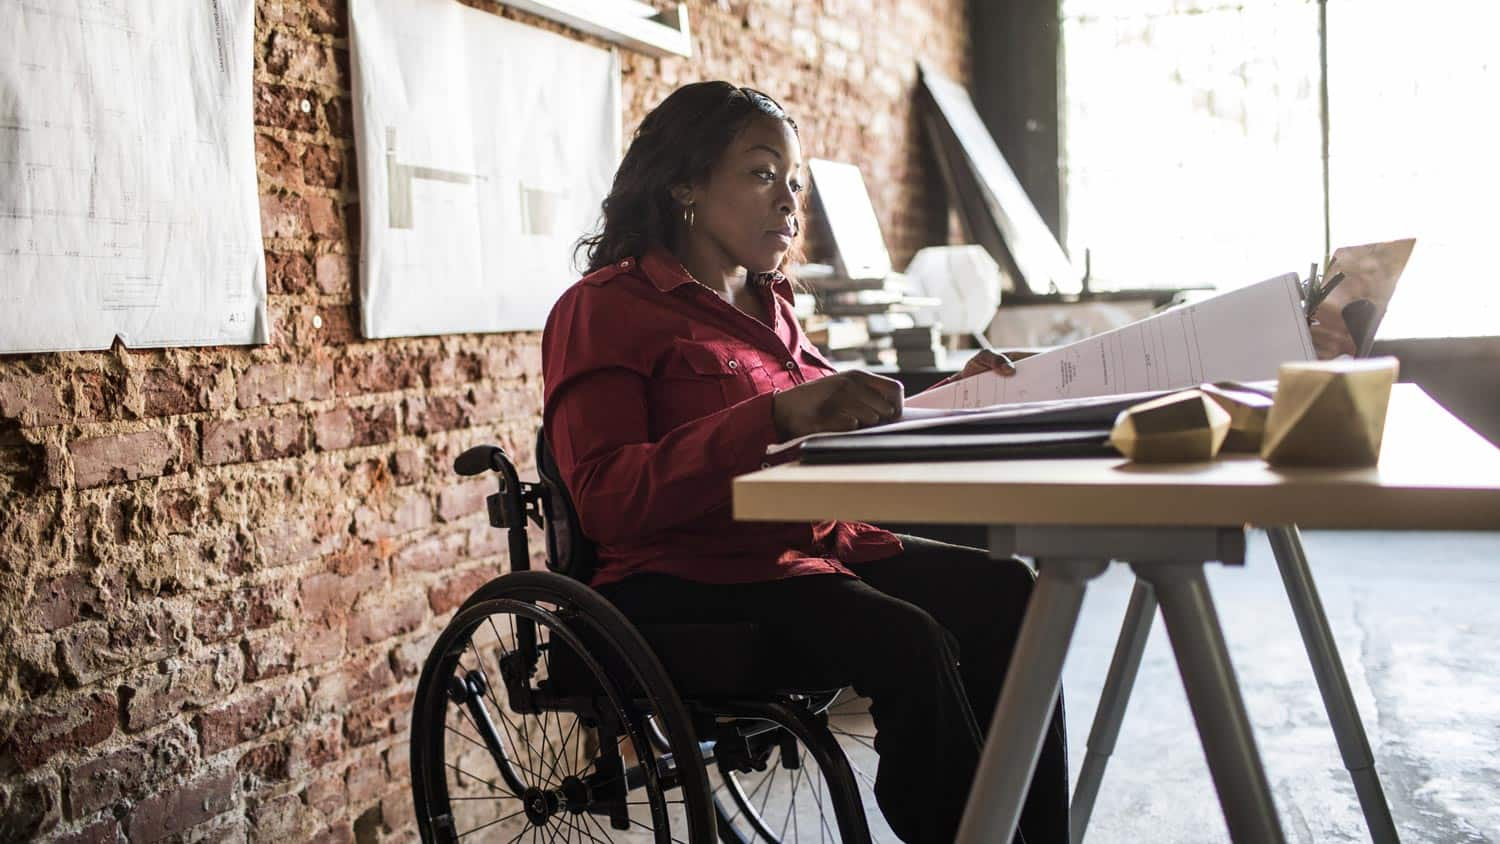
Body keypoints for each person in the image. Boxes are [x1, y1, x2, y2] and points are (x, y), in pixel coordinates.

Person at [541, 81, 1067, 843]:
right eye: (761, 174)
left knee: (1009, 591)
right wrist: (772, 416)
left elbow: (844, 418)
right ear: (683, 182)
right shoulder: (604, 308)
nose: (789, 202)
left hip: (814, 551)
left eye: (794, 181)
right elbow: (607, 498)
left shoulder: (774, 306)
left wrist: (961, 392)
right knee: (908, 639)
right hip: (689, 578)